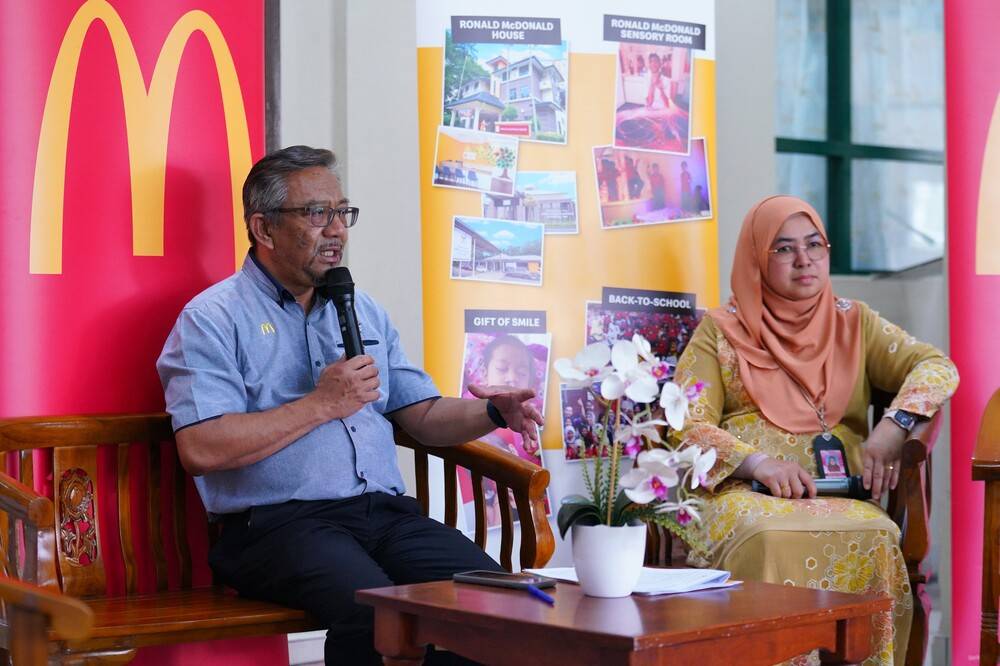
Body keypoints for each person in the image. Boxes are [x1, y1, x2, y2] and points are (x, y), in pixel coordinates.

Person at [156, 145, 544, 666]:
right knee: (377, 616)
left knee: (498, 605)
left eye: (343, 213)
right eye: (317, 214)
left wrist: (494, 412)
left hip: (384, 516)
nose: (337, 229)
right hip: (278, 526)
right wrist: (320, 404)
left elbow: (424, 416)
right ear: (264, 229)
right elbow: (201, 448)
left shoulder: (361, 308)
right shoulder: (212, 319)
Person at [671, 195, 958, 666]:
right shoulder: (720, 331)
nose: (804, 260)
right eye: (783, 248)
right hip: (743, 493)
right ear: (756, 258)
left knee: (878, 534)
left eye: (814, 245)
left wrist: (895, 424)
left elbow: (936, 366)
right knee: (766, 534)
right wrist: (758, 463)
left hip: (842, 491)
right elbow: (686, 425)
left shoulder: (855, 322)